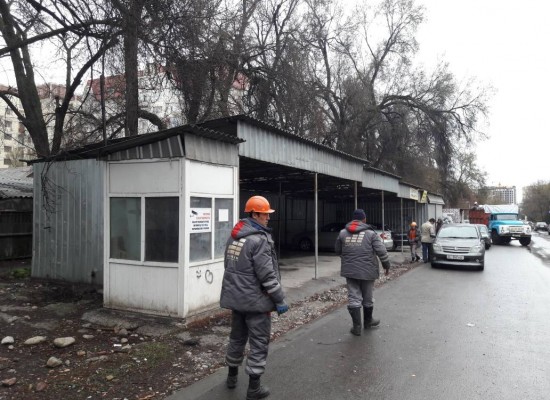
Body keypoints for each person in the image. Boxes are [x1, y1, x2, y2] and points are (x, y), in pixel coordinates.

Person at [220, 195, 288, 400]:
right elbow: (267, 275)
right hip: (256, 302)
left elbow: (228, 266)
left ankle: (231, 377)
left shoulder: (234, 237)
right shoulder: (259, 240)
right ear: (255, 214)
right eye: (265, 214)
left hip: (237, 300)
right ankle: (254, 388)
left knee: (237, 338)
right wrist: (279, 299)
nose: (268, 218)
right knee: (259, 342)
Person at [335, 209, 391, 336]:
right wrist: (386, 265)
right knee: (368, 296)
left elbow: (337, 250)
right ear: (364, 219)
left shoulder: (343, 233)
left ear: (353, 219)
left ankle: (357, 327)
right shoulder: (371, 234)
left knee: (353, 297)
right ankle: (368, 321)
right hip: (368, 270)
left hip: (350, 271)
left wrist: (348, 258)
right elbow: (381, 250)